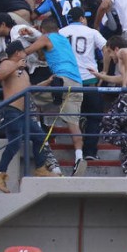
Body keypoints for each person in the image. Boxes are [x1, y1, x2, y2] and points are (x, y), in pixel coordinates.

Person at [23, 17, 87, 176]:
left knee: (29, 96)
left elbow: (26, 52)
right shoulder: (64, 40)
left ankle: (37, 125)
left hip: (61, 81)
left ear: (43, 30)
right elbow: (45, 56)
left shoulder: (45, 38)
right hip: (77, 82)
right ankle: (79, 157)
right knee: (73, 122)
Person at [0, 40, 54, 193]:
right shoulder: (7, 63)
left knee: (39, 137)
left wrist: (48, 82)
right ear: (18, 53)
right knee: (15, 143)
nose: (26, 53)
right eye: (24, 51)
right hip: (12, 110)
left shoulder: (23, 70)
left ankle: (40, 168)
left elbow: (29, 89)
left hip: (22, 113)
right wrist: (15, 65)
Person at [89, 35, 127, 177]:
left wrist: (125, 80)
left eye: (109, 52)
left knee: (106, 127)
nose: (110, 57)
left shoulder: (123, 52)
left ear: (115, 48)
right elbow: (122, 78)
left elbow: (125, 56)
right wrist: (101, 76)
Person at [59, 7, 107, 160]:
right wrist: (104, 71)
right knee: (94, 116)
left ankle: (78, 151)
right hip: (89, 79)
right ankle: (89, 152)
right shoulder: (92, 32)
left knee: (73, 116)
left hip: (69, 81)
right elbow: (107, 49)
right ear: (81, 18)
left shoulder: (61, 32)